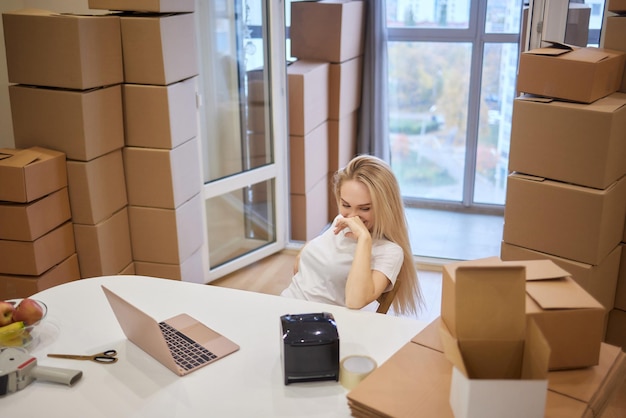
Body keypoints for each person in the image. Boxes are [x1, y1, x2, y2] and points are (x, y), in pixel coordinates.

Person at [281, 155, 424, 315]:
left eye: (364, 208)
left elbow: (355, 301)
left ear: (386, 207)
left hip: (320, 324)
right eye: (346, 205)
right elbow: (301, 265)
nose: (352, 217)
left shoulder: (389, 251)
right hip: (285, 305)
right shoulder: (340, 221)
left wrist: (364, 239)